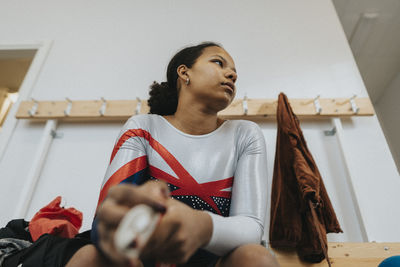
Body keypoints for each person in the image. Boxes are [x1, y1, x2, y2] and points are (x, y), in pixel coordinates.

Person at [66, 42, 280, 267]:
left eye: (235, 73)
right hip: (145, 259)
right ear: (184, 72)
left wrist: (201, 226)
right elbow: (106, 220)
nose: (232, 74)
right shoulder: (144, 127)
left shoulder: (245, 134)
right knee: (88, 257)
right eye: (219, 62)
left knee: (256, 258)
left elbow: (251, 227)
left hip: (213, 262)